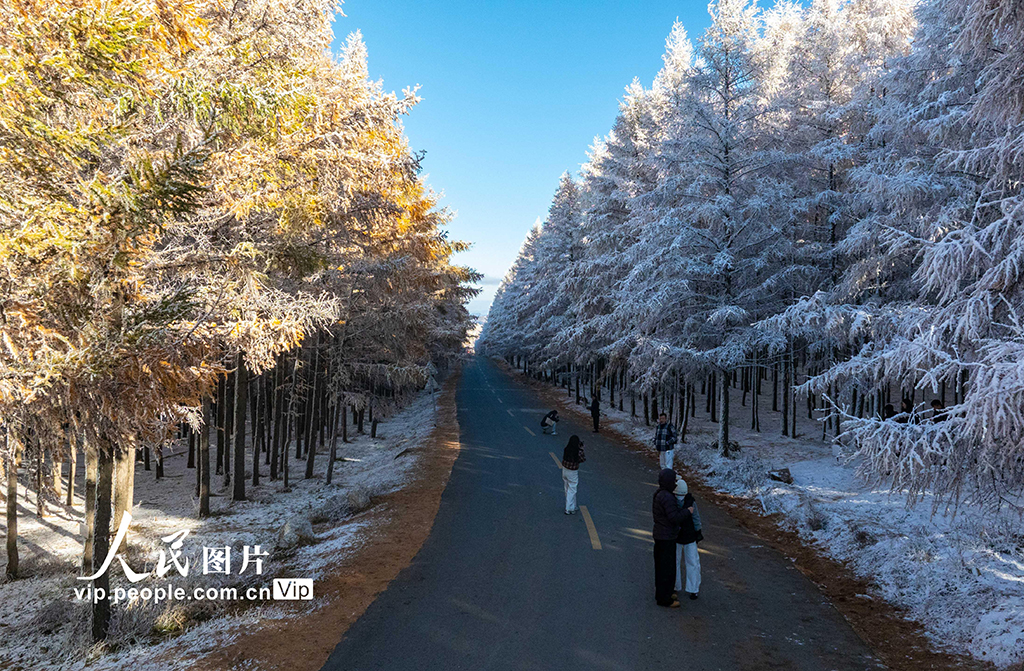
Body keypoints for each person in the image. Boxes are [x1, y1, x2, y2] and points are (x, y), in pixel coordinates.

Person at [652, 468, 693, 608]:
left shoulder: (660, 494)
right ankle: (665, 599)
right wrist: (687, 511)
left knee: (662, 567)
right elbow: (674, 517)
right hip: (666, 537)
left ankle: (665, 593)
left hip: (660, 535)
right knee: (667, 569)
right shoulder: (668, 497)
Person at [674, 477, 702, 600]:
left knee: (690, 562)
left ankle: (691, 588)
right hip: (680, 536)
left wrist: (697, 531)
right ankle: (682, 586)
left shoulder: (689, 502)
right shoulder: (687, 502)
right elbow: (696, 518)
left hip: (684, 536)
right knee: (690, 562)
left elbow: (696, 517)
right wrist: (698, 531)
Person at [561, 435, 586, 515]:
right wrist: (582, 449)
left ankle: (573, 506)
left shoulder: (566, 449)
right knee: (572, 489)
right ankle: (568, 508)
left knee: (567, 488)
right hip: (573, 472)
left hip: (565, 470)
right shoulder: (578, 452)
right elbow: (582, 459)